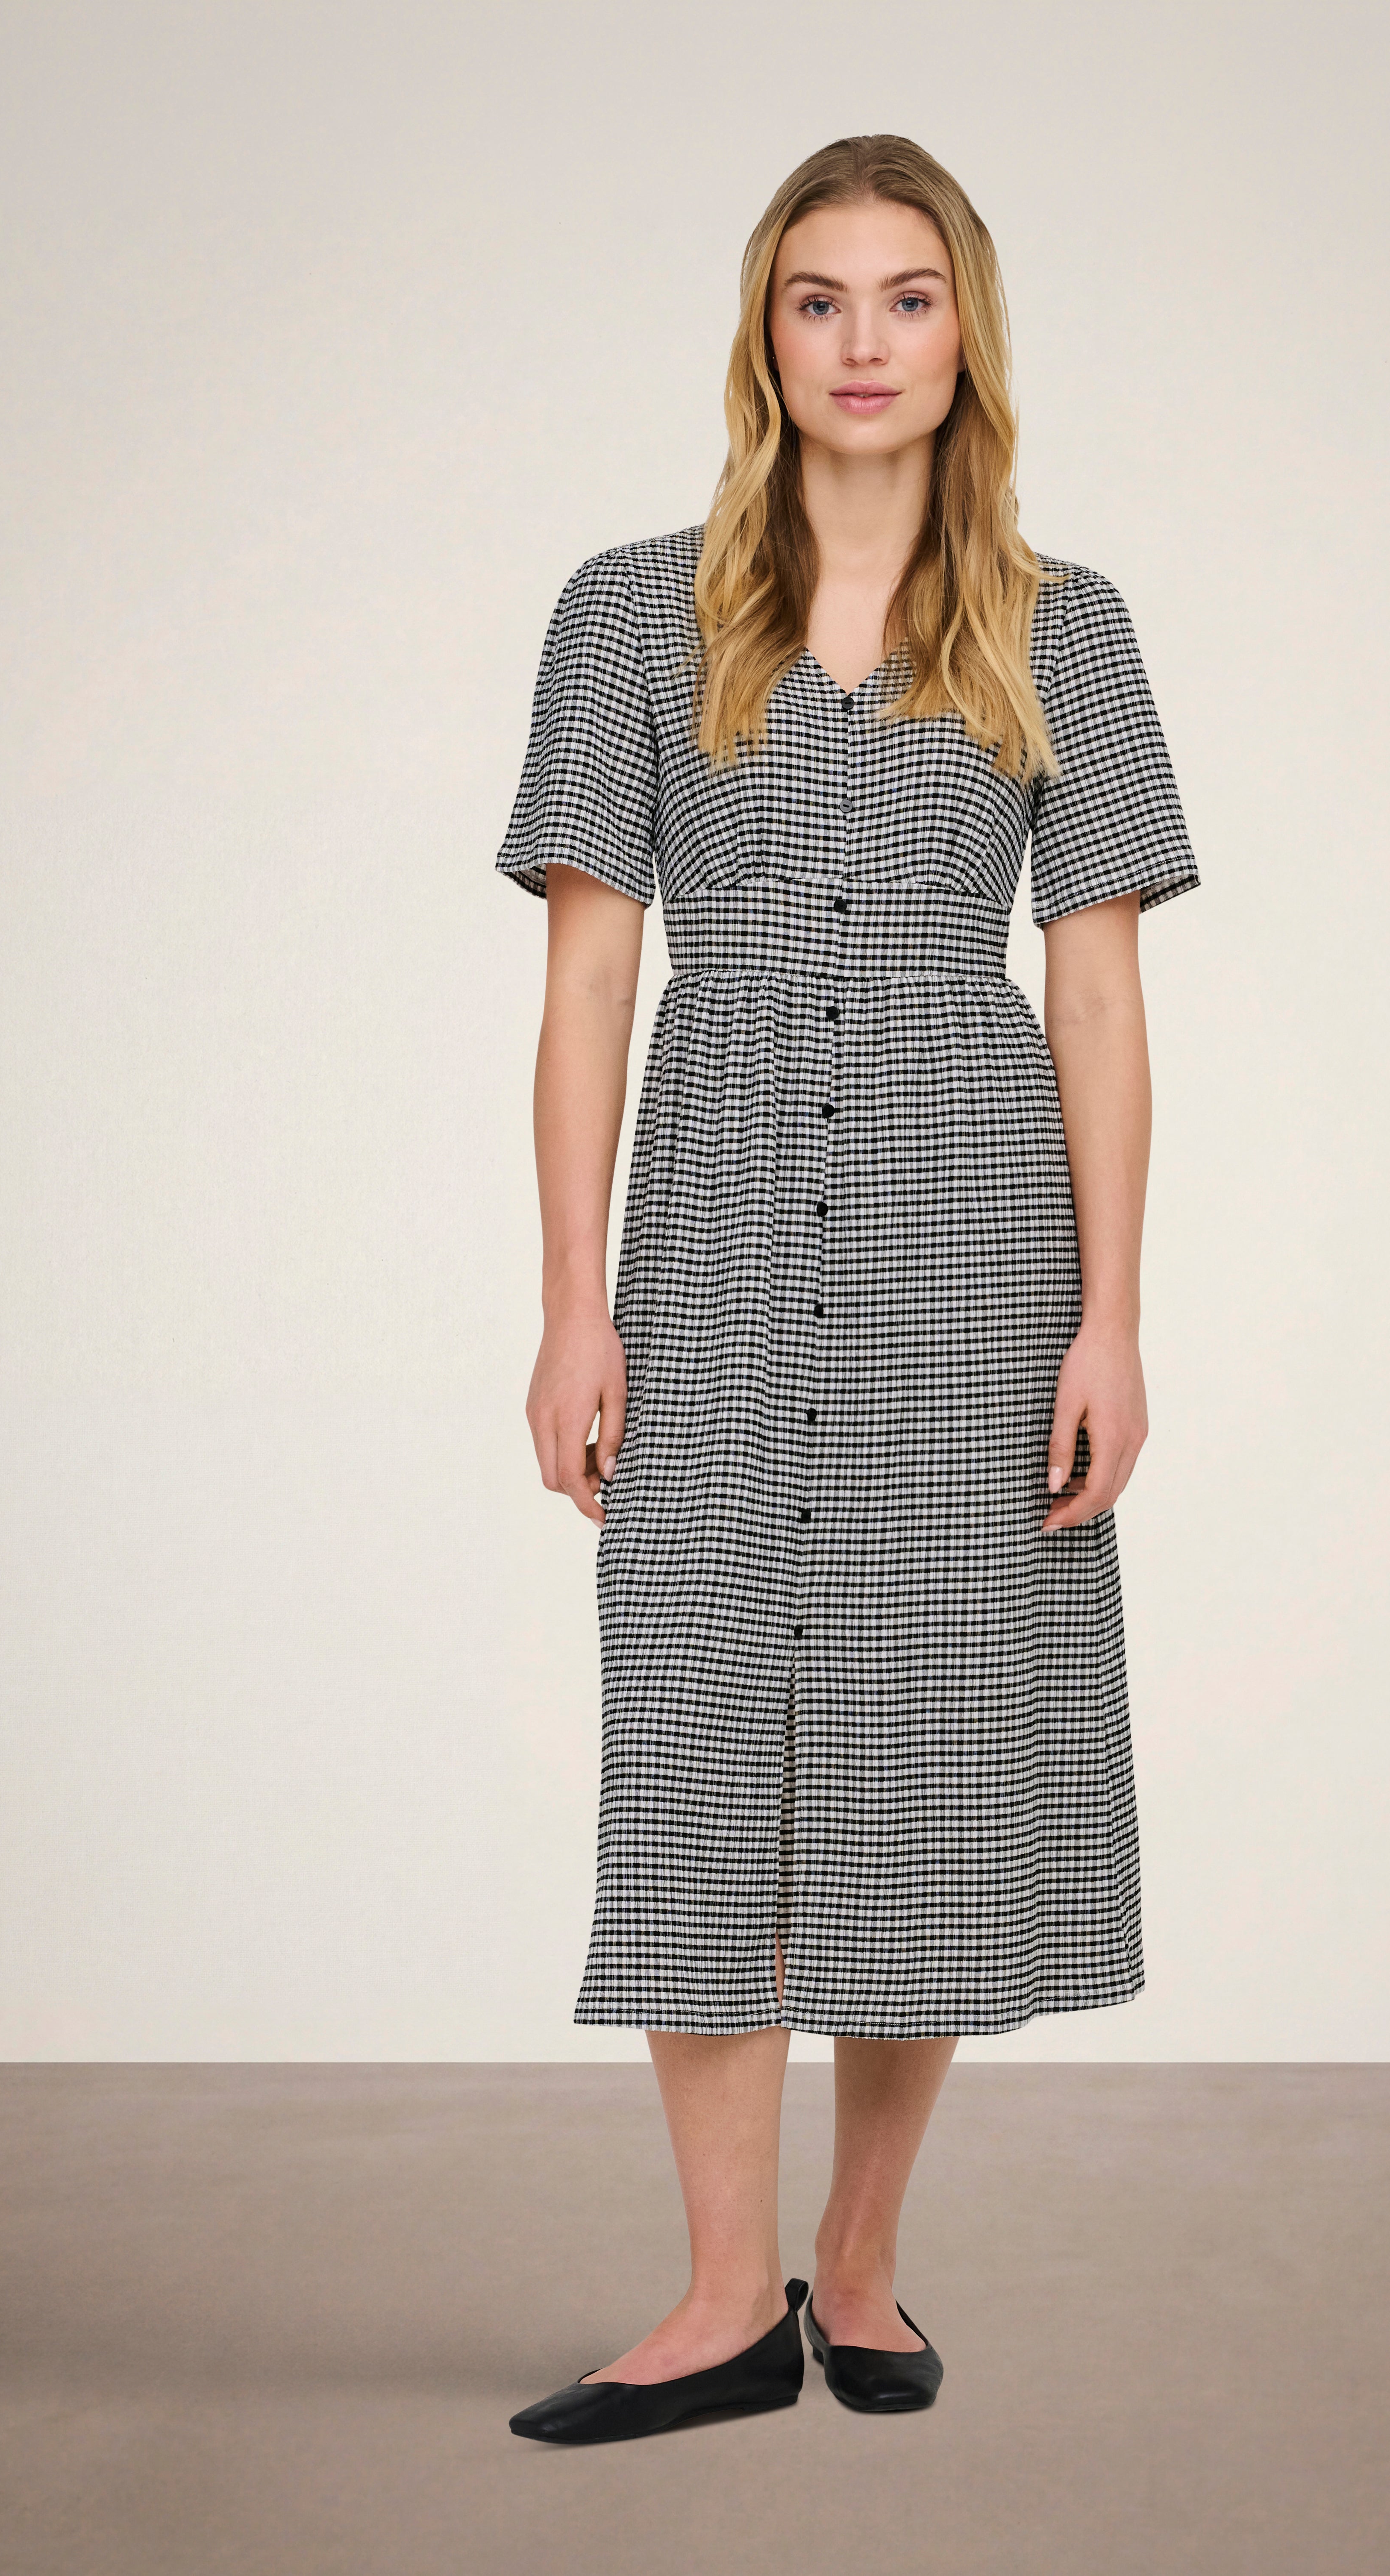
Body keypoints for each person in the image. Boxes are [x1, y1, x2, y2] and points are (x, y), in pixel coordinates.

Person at [500, 133, 1197, 2445]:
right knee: (703, 1724)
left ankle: (863, 2267)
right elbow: (588, 986)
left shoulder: (1066, 626)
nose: (864, 342)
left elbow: (1095, 996)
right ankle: (722, 2302)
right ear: (765, 333)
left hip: (973, 1235)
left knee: (928, 1743)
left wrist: (1111, 1319)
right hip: (710, 1221)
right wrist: (572, 1303)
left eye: (908, 297)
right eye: (820, 299)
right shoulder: (630, 612)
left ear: (965, 330)